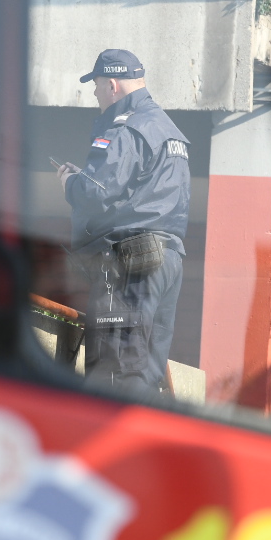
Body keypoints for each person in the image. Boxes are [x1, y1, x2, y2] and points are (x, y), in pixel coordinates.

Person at [56, 48, 191, 395]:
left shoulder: (127, 128)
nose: (96, 93)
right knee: (144, 375)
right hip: (168, 261)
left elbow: (96, 191)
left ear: (113, 85)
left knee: (113, 375)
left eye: (97, 85)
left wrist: (71, 183)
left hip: (131, 265)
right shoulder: (168, 129)